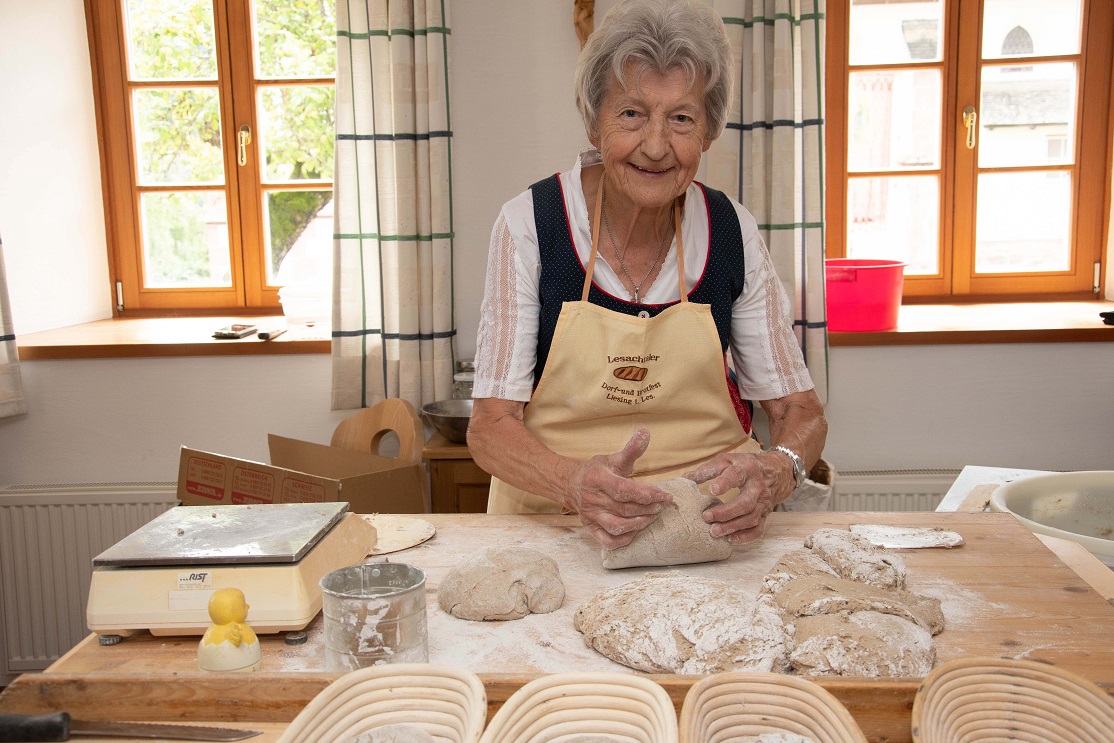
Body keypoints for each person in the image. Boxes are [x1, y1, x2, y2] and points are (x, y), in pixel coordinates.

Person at [468, 0, 827, 550]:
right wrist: (573, 483)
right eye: (631, 114)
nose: (656, 146)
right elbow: (490, 429)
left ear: (708, 131)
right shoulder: (530, 226)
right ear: (594, 121)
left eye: (681, 118)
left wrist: (778, 472)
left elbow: (798, 411)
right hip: (560, 525)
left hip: (712, 527)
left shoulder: (733, 232)